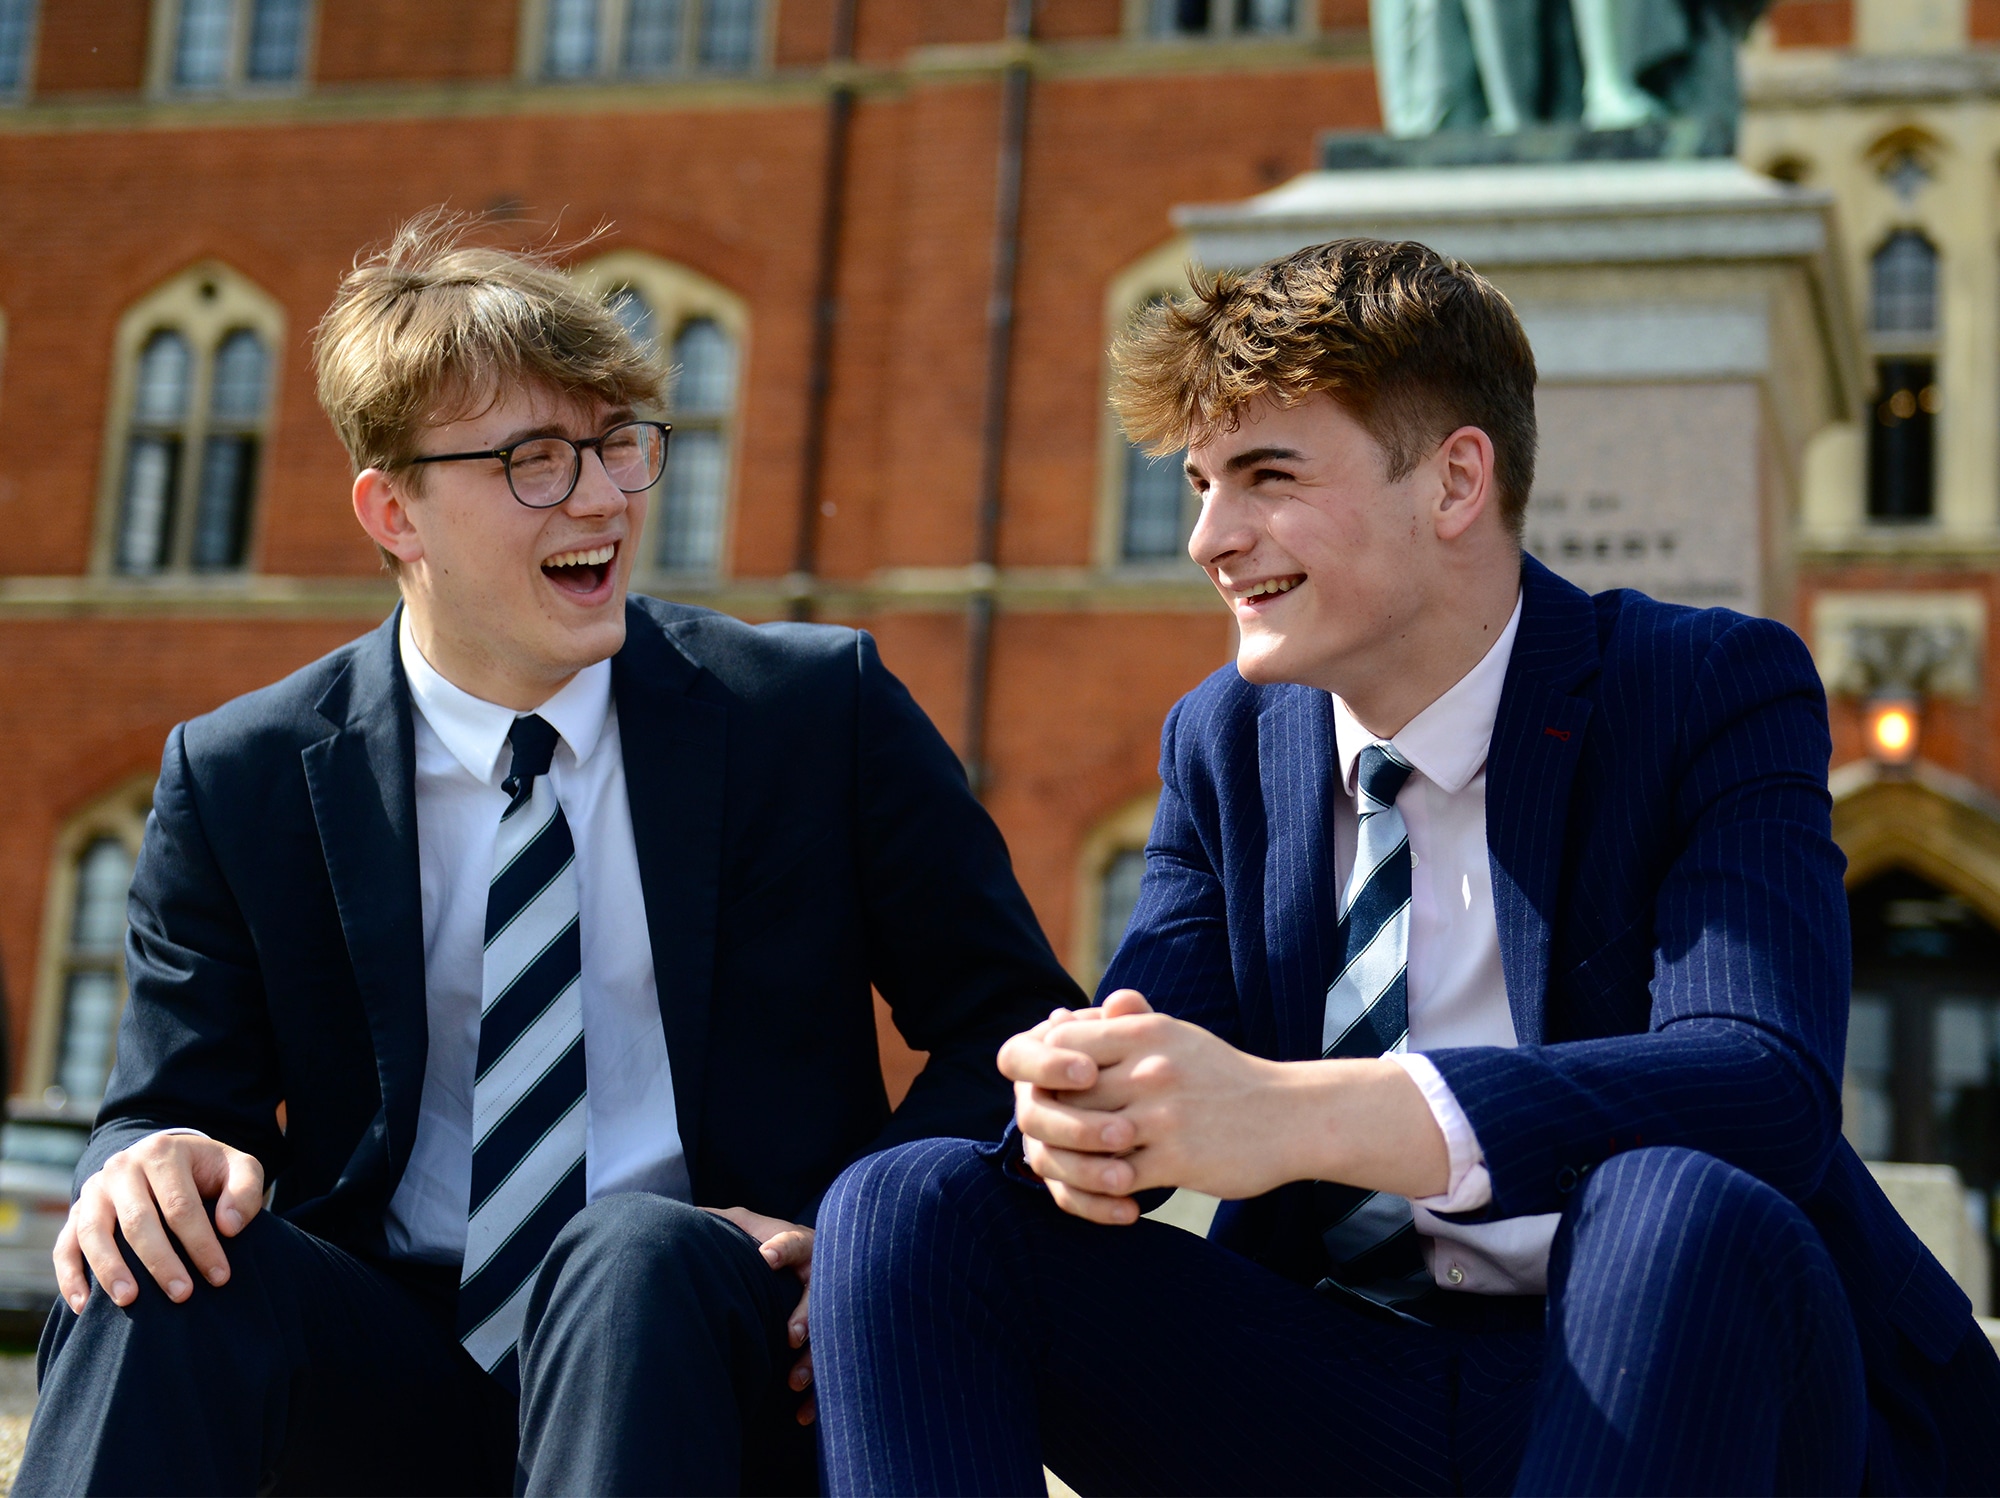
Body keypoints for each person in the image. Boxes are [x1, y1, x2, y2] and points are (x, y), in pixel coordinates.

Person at [810, 237, 2000, 1495]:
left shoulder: (1700, 686)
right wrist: (1071, 1106)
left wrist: (1293, 1113)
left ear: (1452, 483)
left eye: (1264, 473)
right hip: (1344, 1381)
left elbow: (1760, 1083)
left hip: (1689, 1373)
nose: (1209, 537)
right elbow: (1149, 1052)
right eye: (1201, 483)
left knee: (1667, 1205)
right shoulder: (1222, 742)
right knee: (904, 1210)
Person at [17, 213, 1083, 1498]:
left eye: (618, 445)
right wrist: (146, 1159)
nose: (599, 497)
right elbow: (174, 1100)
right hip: (385, 1363)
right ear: (392, 506)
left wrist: (850, 1235)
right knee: (157, 1266)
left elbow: (1017, 1030)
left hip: (710, 1342)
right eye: (531, 459)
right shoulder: (240, 777)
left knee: (633, 1251)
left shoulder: (814, 714)